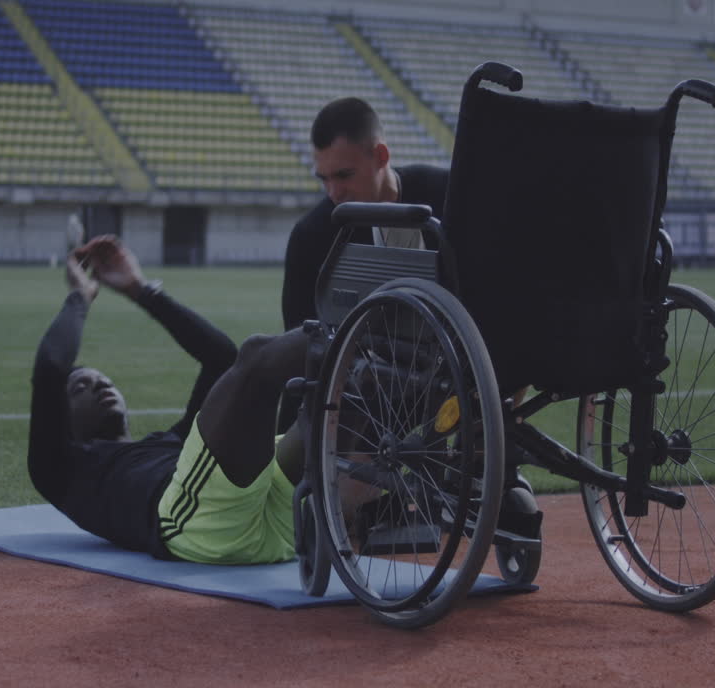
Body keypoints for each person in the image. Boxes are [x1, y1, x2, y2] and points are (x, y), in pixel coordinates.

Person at [28, 235, 309, 564]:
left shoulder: (174, 440)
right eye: (80, 387)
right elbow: (51, 367)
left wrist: (141, 290)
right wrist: (81, 295)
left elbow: (219, 357)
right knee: (258, 356)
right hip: (204, 528)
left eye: (103, 380)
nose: (99, 385)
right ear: (64, 418)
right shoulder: (63, 470)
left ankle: (371, 339)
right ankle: (361, 328)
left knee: (333, 406)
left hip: (285, 526)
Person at [280, 97, 450, 331]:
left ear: (381, 156)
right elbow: (301, 338)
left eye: (344, 175)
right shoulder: (310, 235)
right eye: (324, 179)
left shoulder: (447, 195)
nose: (333, 193)